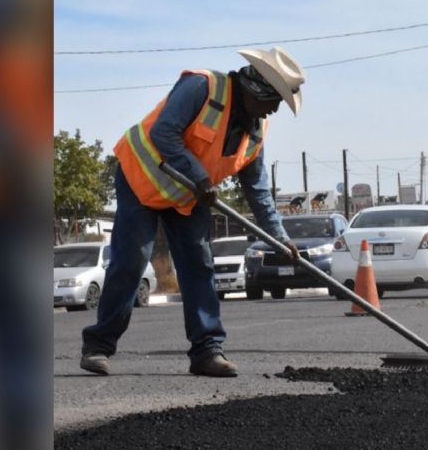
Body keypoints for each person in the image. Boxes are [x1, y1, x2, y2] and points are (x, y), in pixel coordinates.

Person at [80, 47, 305, 377]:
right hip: (141, 179)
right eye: (275, 100)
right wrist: (198, 175)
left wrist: (279, 239)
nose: (274, 110)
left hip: (186, 197)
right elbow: (163, 133)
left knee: (199, 264)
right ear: (258, 89)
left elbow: (257, 191)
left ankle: (206, 351)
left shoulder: (257, 129)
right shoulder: (202, 87)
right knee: (131, 261)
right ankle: (98, 346)